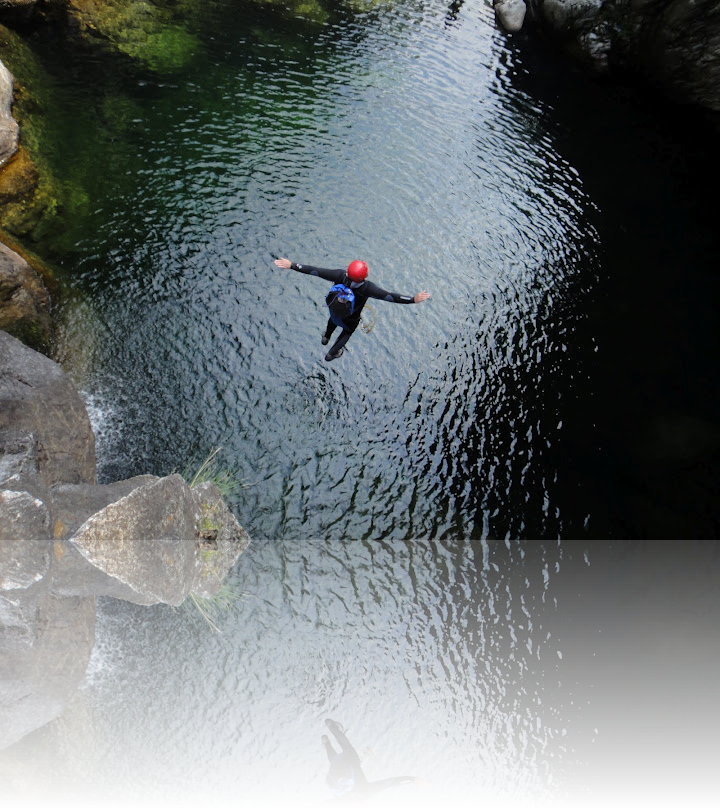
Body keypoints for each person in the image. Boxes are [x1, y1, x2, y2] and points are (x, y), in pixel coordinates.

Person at [273, 257, 430, 361]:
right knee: (347, 332)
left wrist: (292, 265)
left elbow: (315, 271)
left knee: (333, 319)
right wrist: (412, 300)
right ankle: (331, 353)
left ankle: (326, 337)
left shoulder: (340, 275)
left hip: (334, 311)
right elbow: (390, 296)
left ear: (348, 271)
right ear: (364, 276)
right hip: (349, 320)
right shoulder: (368, 288)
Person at [291, 718, 431, 810]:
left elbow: (390, 783)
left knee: (346, 746)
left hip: (350, 759)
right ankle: (326, 743)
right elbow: (314, 808)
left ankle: (333, 728)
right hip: (335, 767)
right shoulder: (339, 804)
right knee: (334, 760)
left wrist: (413, 780)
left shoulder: (367, 792)